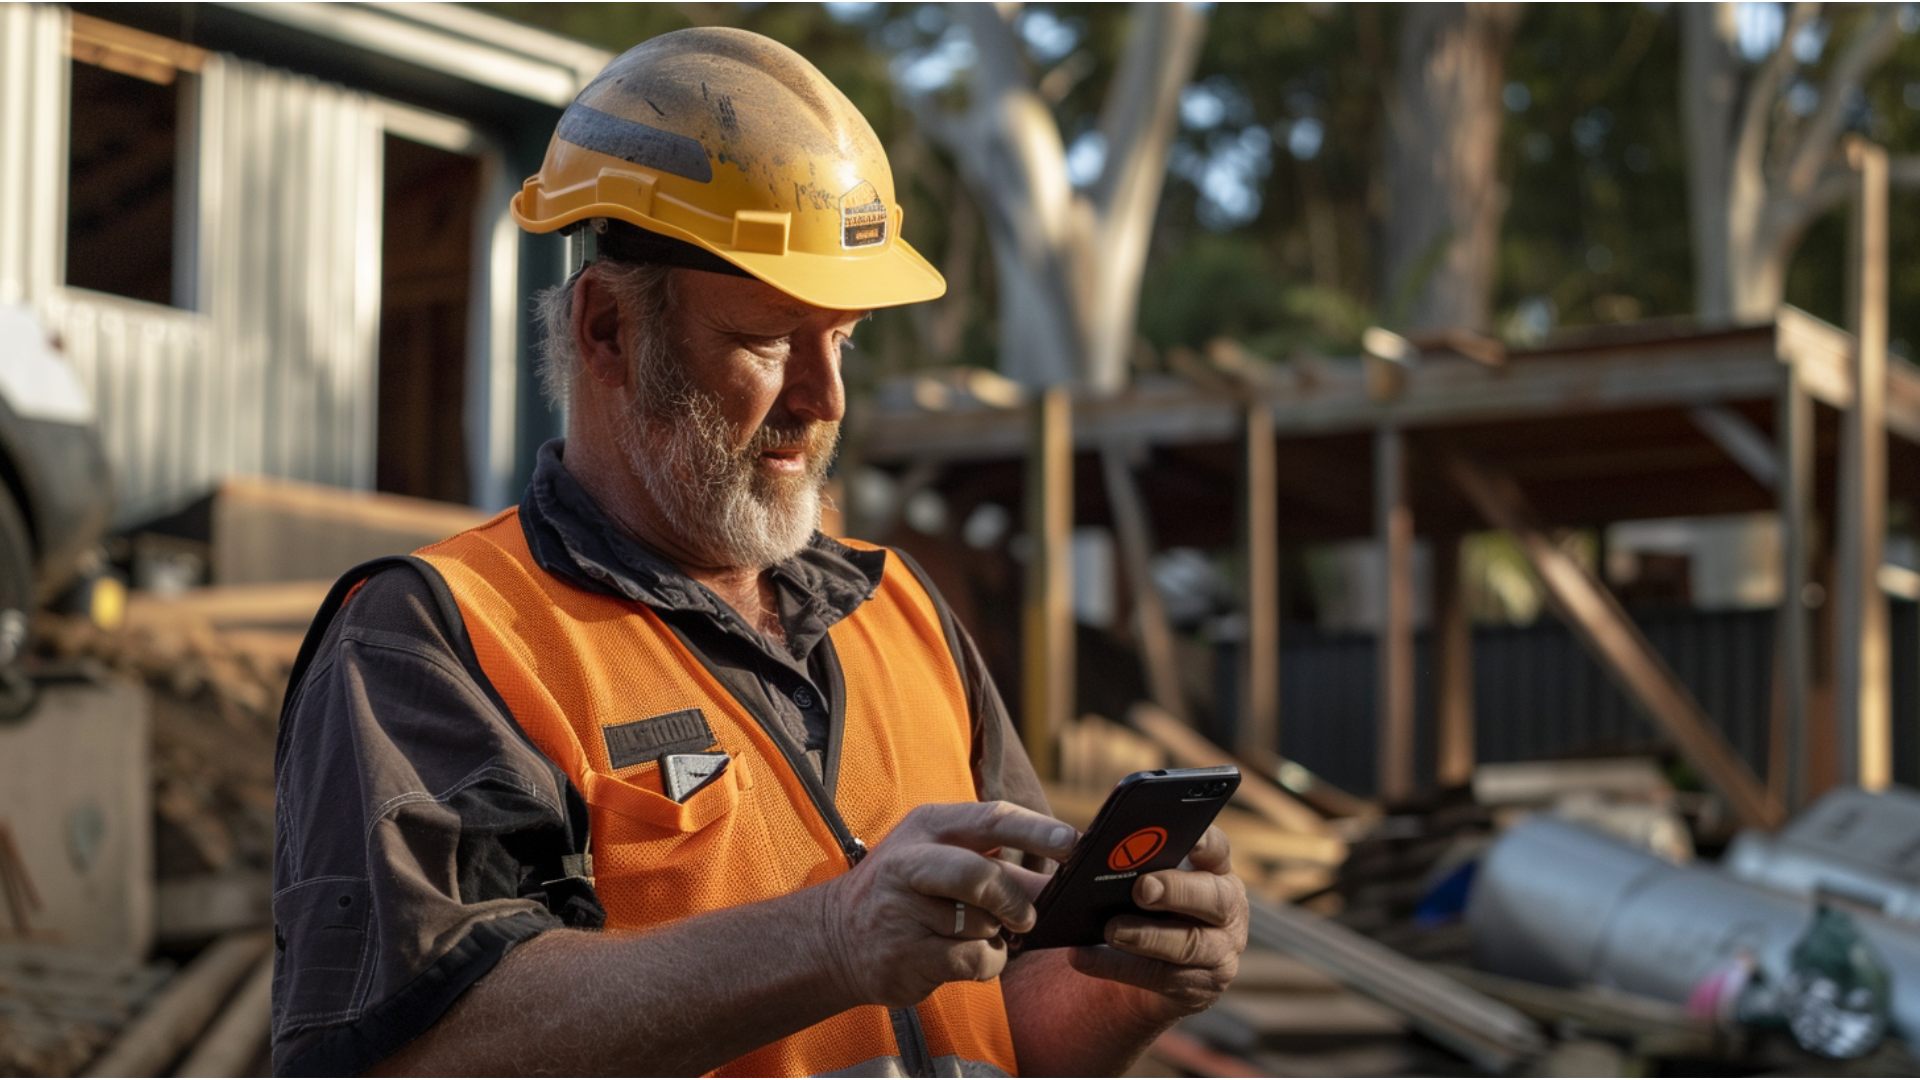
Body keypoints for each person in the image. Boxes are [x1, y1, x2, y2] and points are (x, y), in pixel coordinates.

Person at [271, 26, 1248, 1078]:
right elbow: (416, 1053)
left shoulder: (901, 612)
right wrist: (828, 939)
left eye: (844, 339)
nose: (823, 399)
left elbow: (1000, 1025)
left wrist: (1128, 981)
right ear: (607, 331)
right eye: (769, 339)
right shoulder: (440, 638)